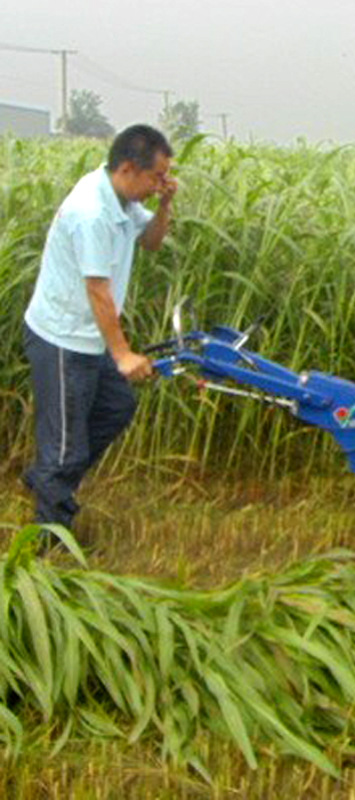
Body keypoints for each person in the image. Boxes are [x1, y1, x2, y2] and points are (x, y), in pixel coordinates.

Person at [22, 124, 177, 531]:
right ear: (128, 168)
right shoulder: (92, 212)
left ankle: (47, 481)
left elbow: (152, 243)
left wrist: (164, 205)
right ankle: (47, 549)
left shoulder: (122, 198)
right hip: (62, 339)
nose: (160, 183)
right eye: (156, 177)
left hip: (90, 337)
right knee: (65, 452)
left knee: (117, 406)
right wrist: (123, 354)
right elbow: (98, 291)